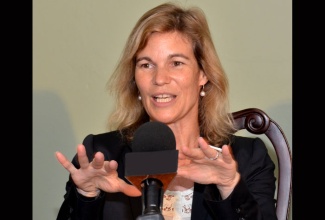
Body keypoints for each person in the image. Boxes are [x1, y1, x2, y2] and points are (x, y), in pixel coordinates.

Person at [55, 2, 277, 220]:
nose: (159, 79)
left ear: (203, 74)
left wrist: (229, 187)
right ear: (135, 80)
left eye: (177, 63)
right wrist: (86, 195)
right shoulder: (102, 155)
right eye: (146, 65)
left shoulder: (247, 158)